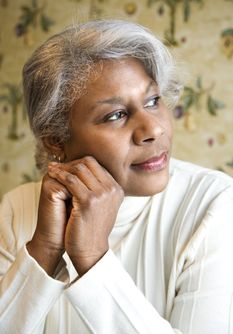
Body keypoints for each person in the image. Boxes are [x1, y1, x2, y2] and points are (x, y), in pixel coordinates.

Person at [0, 19, 233, 334]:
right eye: (116, 115)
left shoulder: (214, 204)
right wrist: (45, 247)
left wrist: (94, 257)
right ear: (56, 140)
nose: (154, 129)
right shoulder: (17, 209)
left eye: (153, 101)